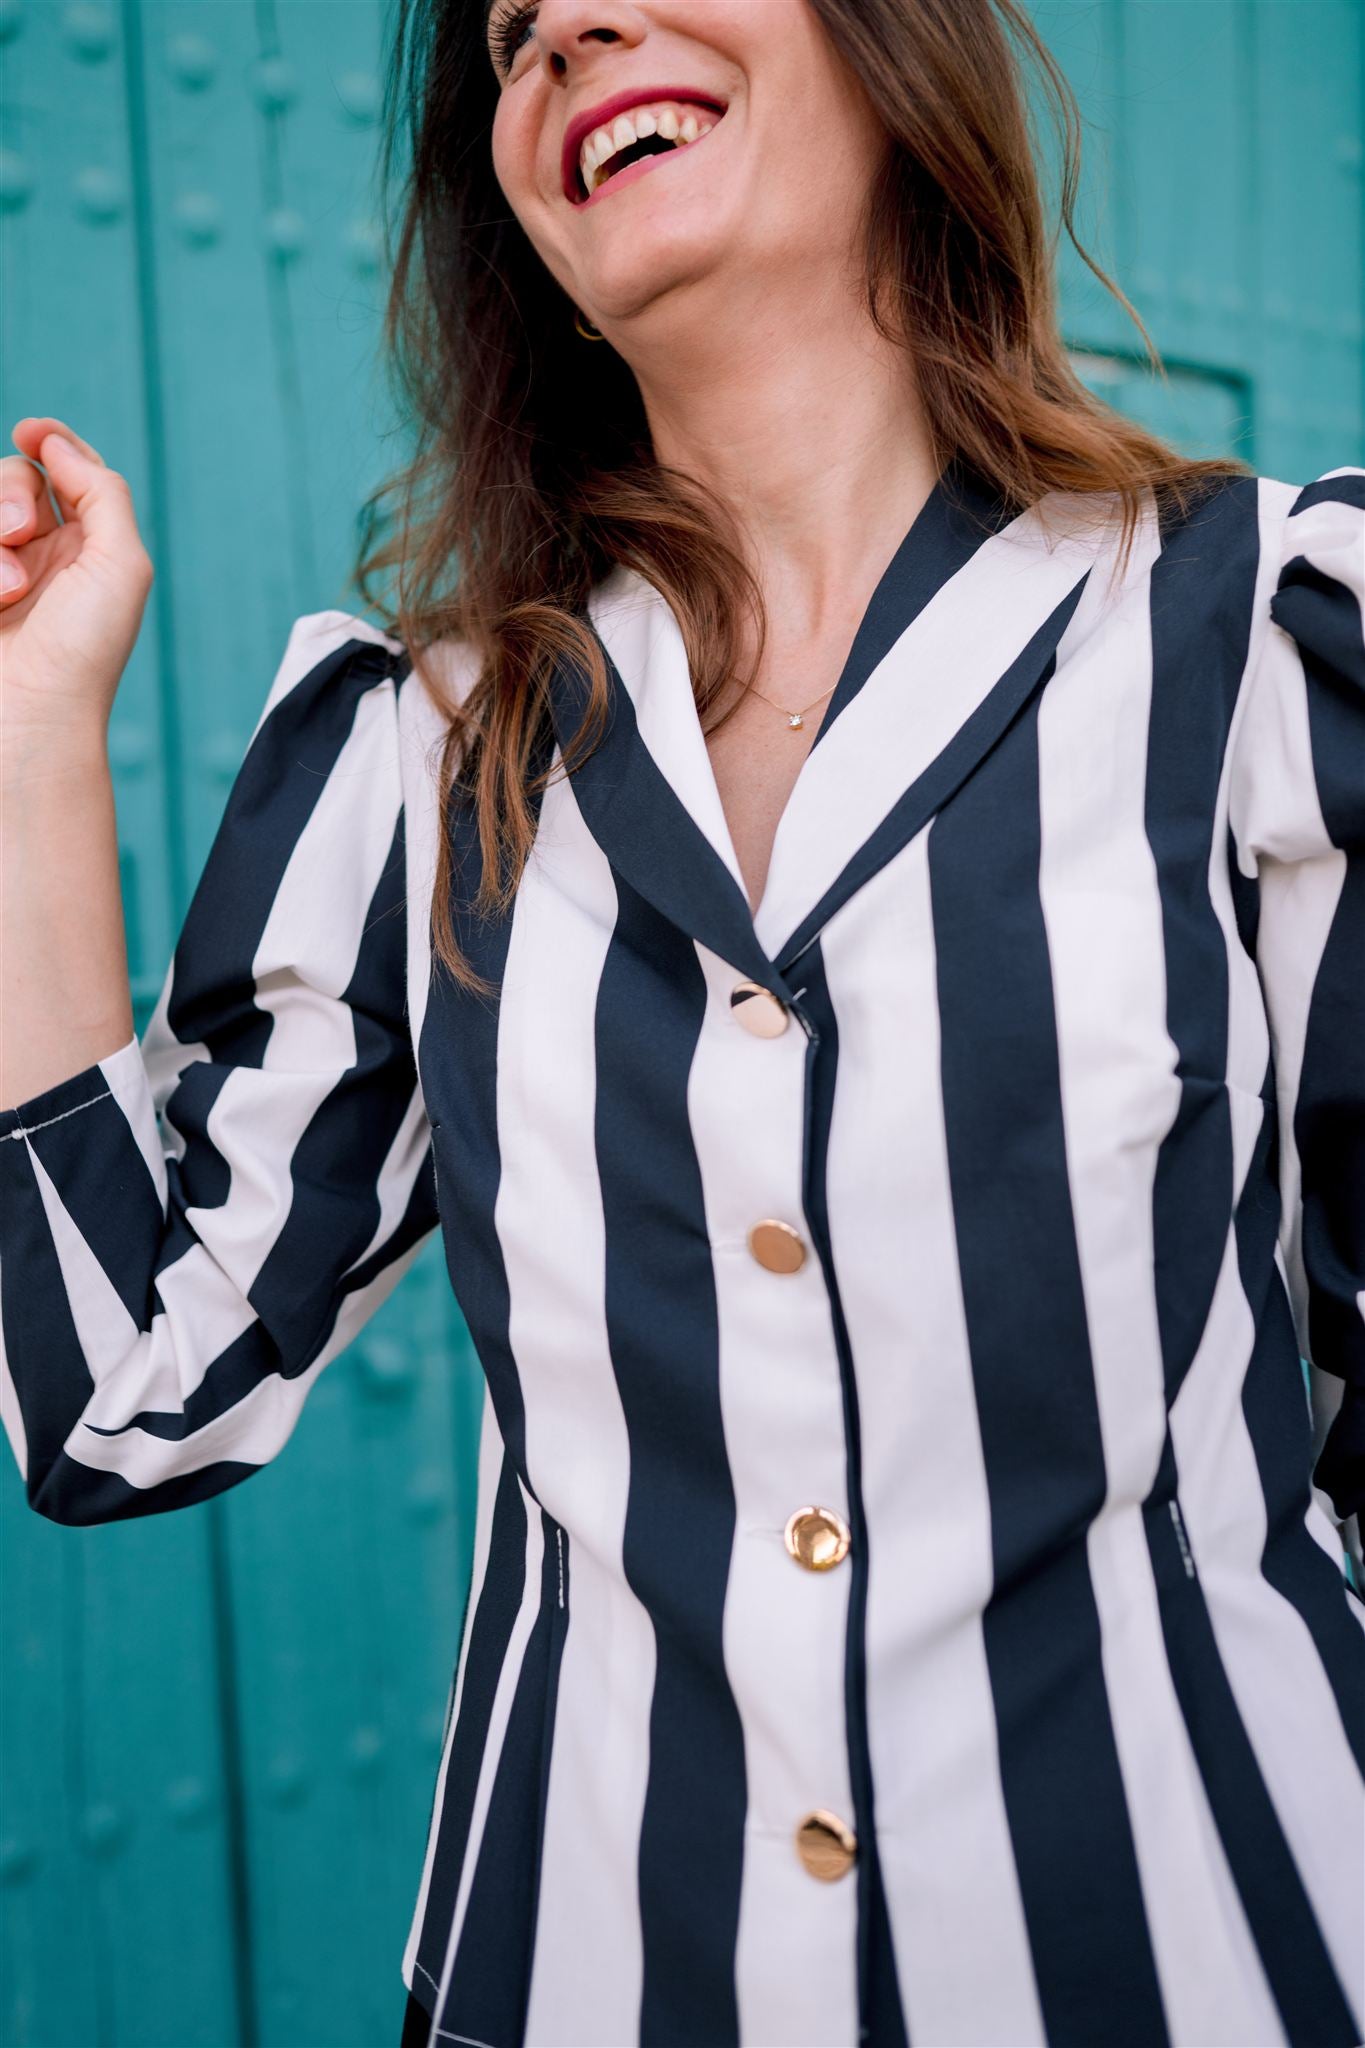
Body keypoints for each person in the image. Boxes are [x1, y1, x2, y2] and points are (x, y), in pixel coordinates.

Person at [2, 0, 1362, 2043]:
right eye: (509, 36)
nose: (560, 32)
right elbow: (119, 1385)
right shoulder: (426, 759)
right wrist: (33, 726)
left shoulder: (1253, 641)